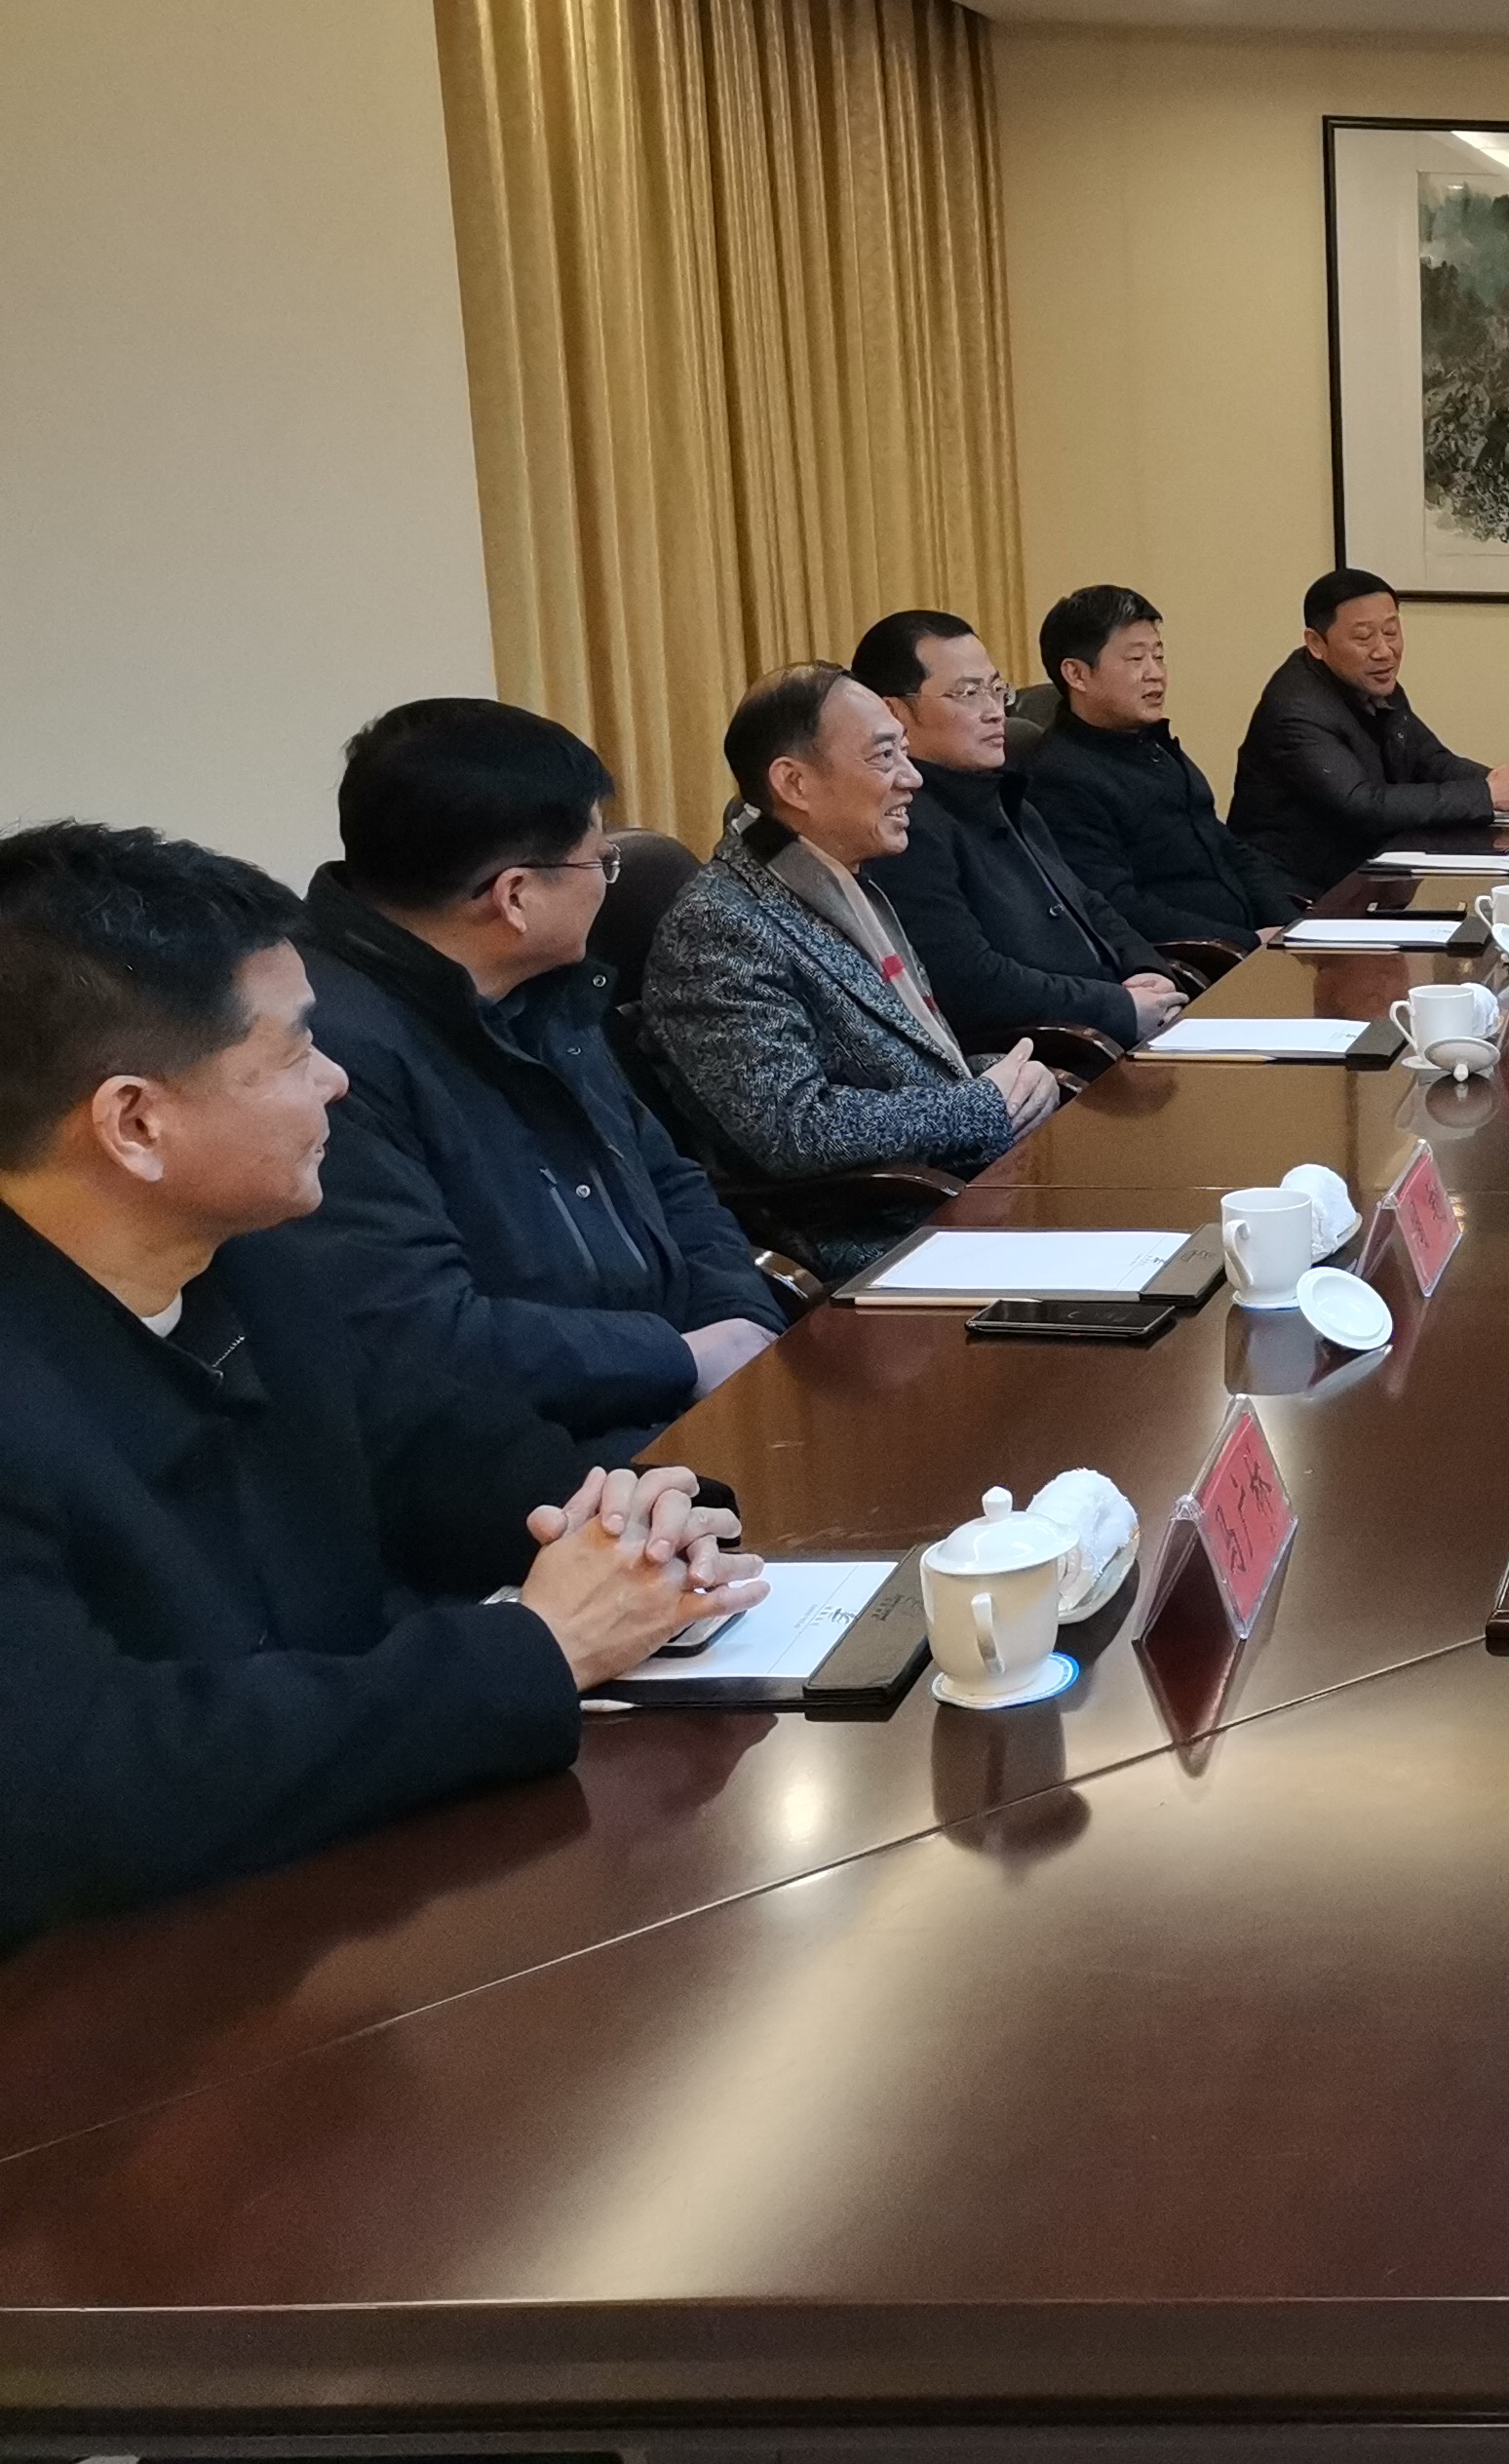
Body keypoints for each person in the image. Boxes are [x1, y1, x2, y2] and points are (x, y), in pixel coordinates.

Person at [0, 823, 756, 1953]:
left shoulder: (254, 1266)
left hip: (342, 1902)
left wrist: (628, 1516)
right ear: (136, 1123)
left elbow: (433, 1448)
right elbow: (82, 1782)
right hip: (119, 1995)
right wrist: (538, 1651)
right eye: (293, 1053)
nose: (338, 1079)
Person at [288, 700, 786, 1463]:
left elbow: (670, 1181)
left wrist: (741, 1330)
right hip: (530, 1462)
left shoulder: (536, 987)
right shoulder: (323, 1058)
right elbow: (422, 1337)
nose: (607, 884)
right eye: (599, 863)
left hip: (676, 1403)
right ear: (515, 896)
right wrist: (680, 1358)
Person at [642, 665, 1059, 1228]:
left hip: (961, 1186)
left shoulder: (842, 880)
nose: (912, 778)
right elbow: (794, 1128)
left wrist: (1016, 1079)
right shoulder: (717, 926)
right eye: (884, 756)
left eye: (904, 751)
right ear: (795, 783)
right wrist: (983, 1102)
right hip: (876, 1226)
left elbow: (915, 1066)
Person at [851, 608, 1186, 1054]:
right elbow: (971, 982)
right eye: (968, 693)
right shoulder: (903, 829)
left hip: (1117, 1026)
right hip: (1059, 1053)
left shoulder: (1006, 797)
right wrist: (1117, 1005)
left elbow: (1087, 903)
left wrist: (1146, 969)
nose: (995, 712)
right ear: (893, 713)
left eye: (996, 689)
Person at [1230, 567, 1509, 900]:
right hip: (1298, 894)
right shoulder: (1296, 711)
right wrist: (1487, 795)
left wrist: (1508, 786)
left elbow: (1429, 760)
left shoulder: (1369, 681)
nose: (1384, 651)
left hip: (1370, 872)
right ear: (1316, 643)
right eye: (1363, 638)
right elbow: (1363, 805)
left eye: (1391, 632)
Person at [1024, 583, 1297, 953]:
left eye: (1159, 655)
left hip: (1251, 947)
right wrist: (1246, 943)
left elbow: (1230, 850)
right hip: (1200, 961)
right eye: (1136, 659)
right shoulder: (1061, 777)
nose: (1155, 674)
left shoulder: (1151, 745)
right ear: (1076, 674)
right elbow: (1120, 908)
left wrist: (1290, 928)